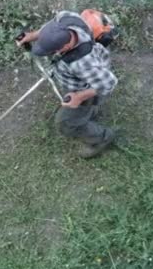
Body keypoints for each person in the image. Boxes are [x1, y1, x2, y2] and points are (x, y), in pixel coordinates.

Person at [16, 10, 118, 158]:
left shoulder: (82, 63)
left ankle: (103, 138)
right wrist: (32, 36)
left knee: (66, 124)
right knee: (85, 110)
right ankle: (90, 112)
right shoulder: (67, 19)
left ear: (64, 48)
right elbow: (49, 28)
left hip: (88, 83)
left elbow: (108, 83)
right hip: (91, 70)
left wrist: (79, 97)